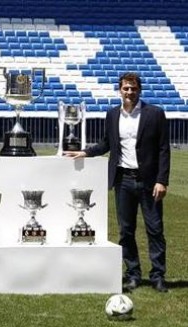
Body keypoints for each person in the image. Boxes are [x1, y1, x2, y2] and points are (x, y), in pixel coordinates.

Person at [64, 72, 170, 293]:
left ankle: (158, 276)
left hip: (149, 182)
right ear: (119, 90)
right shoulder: (112, 115)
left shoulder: (155, 114)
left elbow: (163, 149)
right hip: (123, 180)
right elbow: (106, 143)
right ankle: (133, 274)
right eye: (125, 88)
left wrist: (162, 180)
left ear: (139, 89)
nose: (129, 92)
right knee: (126, 231)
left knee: (155, 229)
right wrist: (85, 152)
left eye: (133, 88)